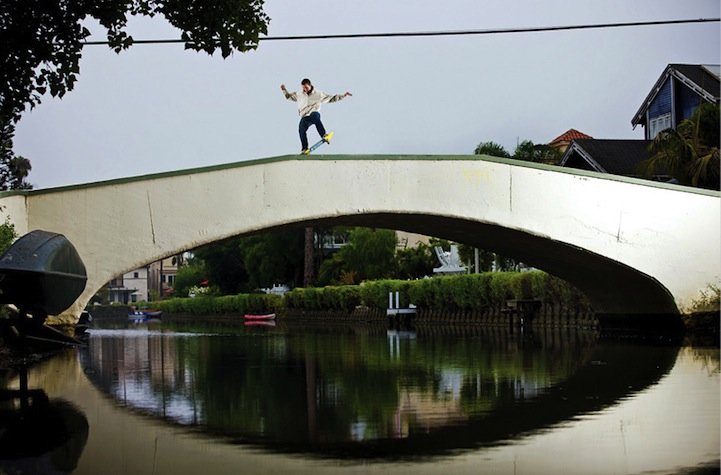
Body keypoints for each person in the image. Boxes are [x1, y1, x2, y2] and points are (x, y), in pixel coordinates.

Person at [281, 78, 352, 154]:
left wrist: (343, 96)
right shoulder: (299, 94)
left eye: (306, 88)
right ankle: (304, 148)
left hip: (314, 112)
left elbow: (331, 98)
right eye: (303, 88)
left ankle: (324, 135)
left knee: (314, 116)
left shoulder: (319, 94)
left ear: (310, 85)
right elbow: (288, 97)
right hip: (305, 116)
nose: (305, 90)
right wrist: (284, 90)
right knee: (301, 129)